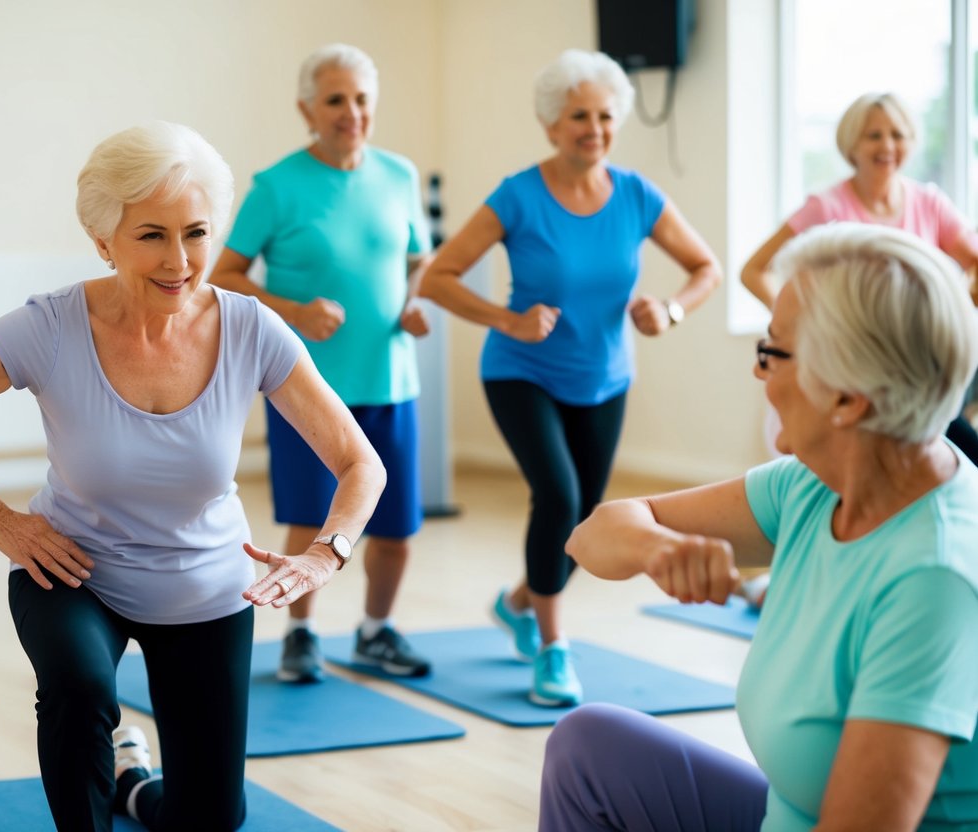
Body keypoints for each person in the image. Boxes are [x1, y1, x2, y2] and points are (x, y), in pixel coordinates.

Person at [0, 122, 385, 831]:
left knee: (208, 819)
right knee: (78, 692)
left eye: (196, 233)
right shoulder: (49, 328)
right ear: (103, 239)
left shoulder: (251, 329)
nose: (179, 260)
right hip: (75, 573)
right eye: (151, 236)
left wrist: (327, 552)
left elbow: (360, 464)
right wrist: (0, 521)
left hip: (206, 587)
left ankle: (133, 782)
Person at [546, 223, 978, 831]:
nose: (758, 373)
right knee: (587, 748)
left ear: (847, 398)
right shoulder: (808, 486)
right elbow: (592, 537)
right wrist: (658, 548)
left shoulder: (936, 578)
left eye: (771, 352)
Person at [418, 49, 721, 706]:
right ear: (550, 124)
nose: (593, 127)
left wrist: (667, 309)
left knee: (584, 525)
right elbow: (436, 278)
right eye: (576, 115)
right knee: (556, 497)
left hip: (604, 378)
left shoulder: (638, 196)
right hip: (521, 371)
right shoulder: (518, 196)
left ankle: (519, 601)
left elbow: (705, 268)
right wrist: (507, 319)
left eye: (604, 115)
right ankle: (554, 649)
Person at [210, 43, 434, 684]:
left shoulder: (399, 176)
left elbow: (418, 260)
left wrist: (415, 304)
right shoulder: (276, 187)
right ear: (307, 108)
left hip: (390, 380)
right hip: (306, 388)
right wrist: (295, 312)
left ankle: (375, 631)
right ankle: (301, 633)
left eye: (362, 99)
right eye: (336, 100)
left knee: (395, 524)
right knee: (311, 519)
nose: (351, 112)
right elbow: (223, 276)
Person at [742, 91, 978, 462]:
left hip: (914, 365)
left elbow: (973, 261)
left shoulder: (929, 203)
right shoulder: (826, 206)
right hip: (851, 369)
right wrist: (803, 324)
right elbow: (754, 270)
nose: (887, 145)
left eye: (898, 135)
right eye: (874, 135)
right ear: (852, 144)